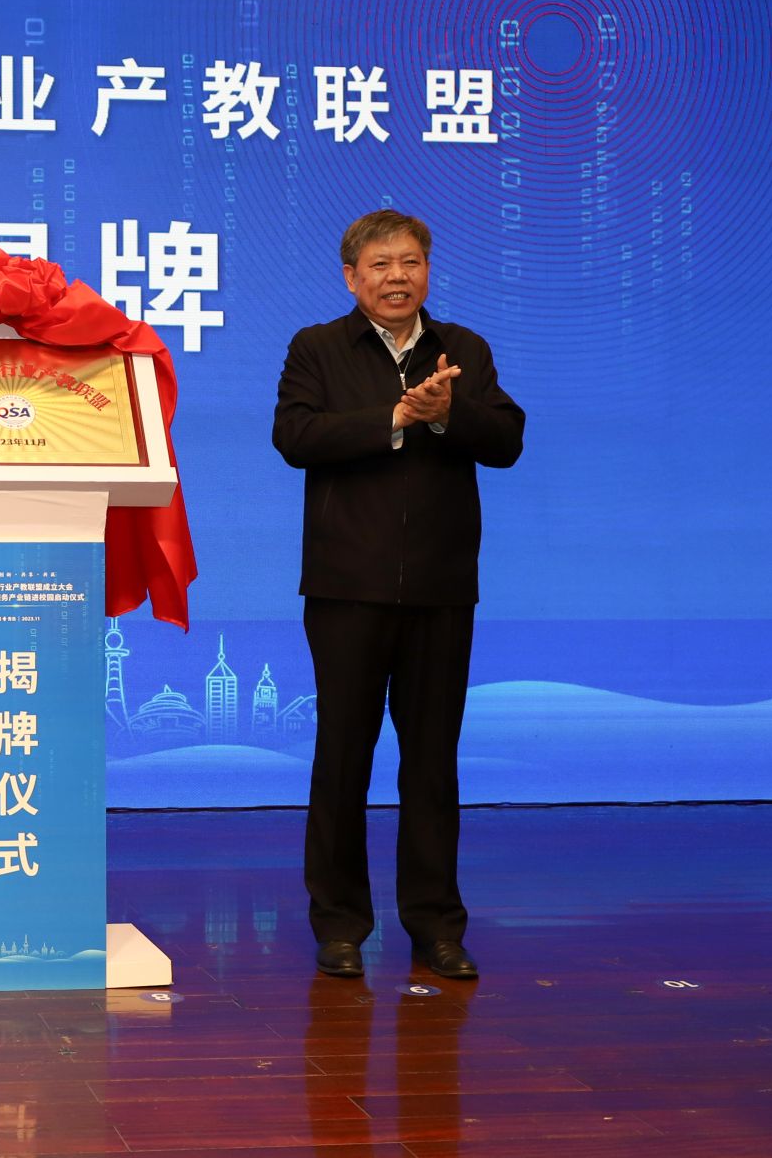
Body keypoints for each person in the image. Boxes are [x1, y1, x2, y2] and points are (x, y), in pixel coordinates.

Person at [272, 209, 524, 980]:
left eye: (410, 262)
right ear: (351, 277)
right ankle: (341, 925)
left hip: (442, 589)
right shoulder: (318, 348)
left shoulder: (462, 350)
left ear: (428, 271)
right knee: (342, 759)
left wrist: (448, 415)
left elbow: (507, 439)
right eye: (380, 264)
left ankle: (436, 926)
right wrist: (394, 416)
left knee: (432, 764)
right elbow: (296, 437)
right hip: (346, 588)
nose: (396, 277)